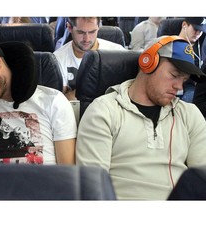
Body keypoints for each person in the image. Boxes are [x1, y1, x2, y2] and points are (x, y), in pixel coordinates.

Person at [75, 35, 206, 200]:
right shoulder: (104, 111)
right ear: (148, 63)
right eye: (174, 75)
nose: (179, 87)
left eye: (184, 80)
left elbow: (202, 177)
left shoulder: (189, 114)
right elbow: (92, 188)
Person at [53, 17, 125, 100]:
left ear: (98, 27)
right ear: (69, 28)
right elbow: (60, 101)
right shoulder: (58, 58)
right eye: (80, 32)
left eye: (92, 32)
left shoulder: (117, 53)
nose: (87, 39)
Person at [177, 17, 206, 102]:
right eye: (195, 29)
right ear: (184, 25)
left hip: (198, 85)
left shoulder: (200, 47)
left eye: (201, 31)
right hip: (182, 86)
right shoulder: (171, 46)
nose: (198, 33)